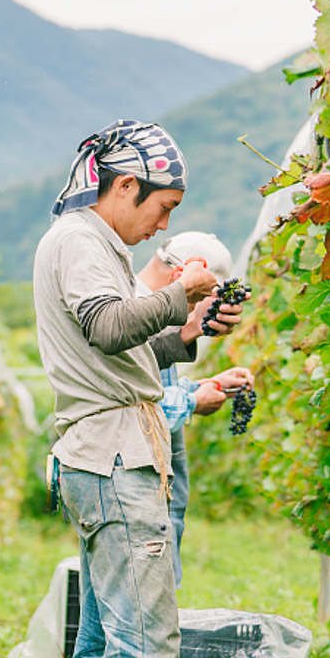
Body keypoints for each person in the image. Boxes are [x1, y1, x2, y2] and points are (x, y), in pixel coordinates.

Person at [33, 120, 217, 658]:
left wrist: (189, 328)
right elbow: (110, 327)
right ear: (125, 185)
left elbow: (125, 348)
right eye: (162, 208)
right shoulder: (81, 241)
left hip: (102, 453)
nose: (162, 224)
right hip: (115, 458)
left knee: (107, 640)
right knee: (145, 644)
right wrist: (179, 292)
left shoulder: (95, 246)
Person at [137, 233, 251, 589]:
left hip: (161, 491)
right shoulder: (135, 313)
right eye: (205, 297)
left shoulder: (153, 313)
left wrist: (203, 385)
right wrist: (192, 401)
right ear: (183, 277)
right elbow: (134, 408)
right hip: (142, 492)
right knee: (147, 607)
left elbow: (153, 386)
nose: (205, 307)